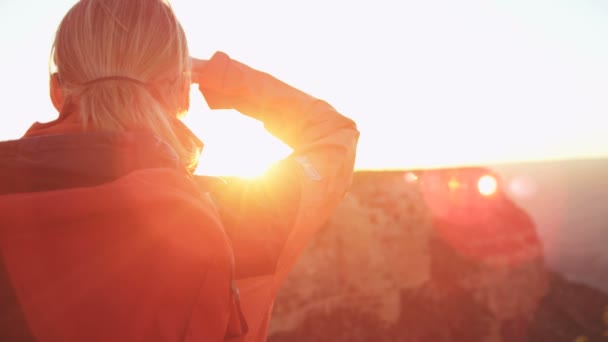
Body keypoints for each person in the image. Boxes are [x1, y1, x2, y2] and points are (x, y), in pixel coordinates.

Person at [0, 0, 359, 341]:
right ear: (180, 92)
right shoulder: (245, 218)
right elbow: (334, 133)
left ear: (57, 92)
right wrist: (215, 74)